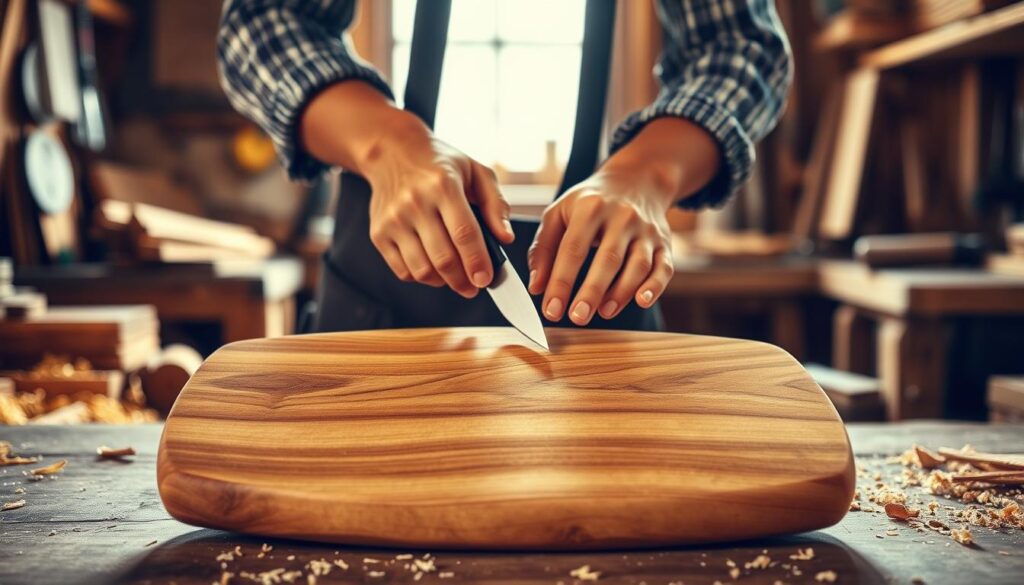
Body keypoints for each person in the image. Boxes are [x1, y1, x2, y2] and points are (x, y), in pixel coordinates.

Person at [217, 0, 792, 333]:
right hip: (369, 311)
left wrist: (648, 175)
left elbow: (740, 45)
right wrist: (384, 145)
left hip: (608, 329)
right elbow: (264, 22)